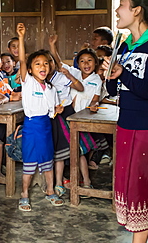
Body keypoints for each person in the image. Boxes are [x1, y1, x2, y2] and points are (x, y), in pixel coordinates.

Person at [104, 0, 148, 243]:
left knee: (140, 193)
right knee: (143, 193)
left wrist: (122, 73)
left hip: (147, 128)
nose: (117, 10)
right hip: (126, 124)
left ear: (137, 10)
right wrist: (110, 74)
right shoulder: (125, 45)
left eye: (122, 5)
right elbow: (115, 90)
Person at [16, 23, 64, 211]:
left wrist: (57, 110)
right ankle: (24, 193)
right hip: (31, 126)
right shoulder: (28, 83)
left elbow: (52, 110)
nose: (42, 66)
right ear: (30, 70)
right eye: (37, 64)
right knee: (29, 163)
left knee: (47, 161)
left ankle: (50, 191)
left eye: (45, 63)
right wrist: (21, 37)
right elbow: (21, 61)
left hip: (46, 126)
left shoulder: (51, 88)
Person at [45, 48, 84, 197]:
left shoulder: (60, 77)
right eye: (43, 63)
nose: (47, 65)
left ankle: (66, 180)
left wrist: (68, 75)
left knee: (68, 149)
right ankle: (55, 181)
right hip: (50, 115)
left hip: (65, 114)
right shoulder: (39, 80)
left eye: (50, 61)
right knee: (54, 150)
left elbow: (80, 87)